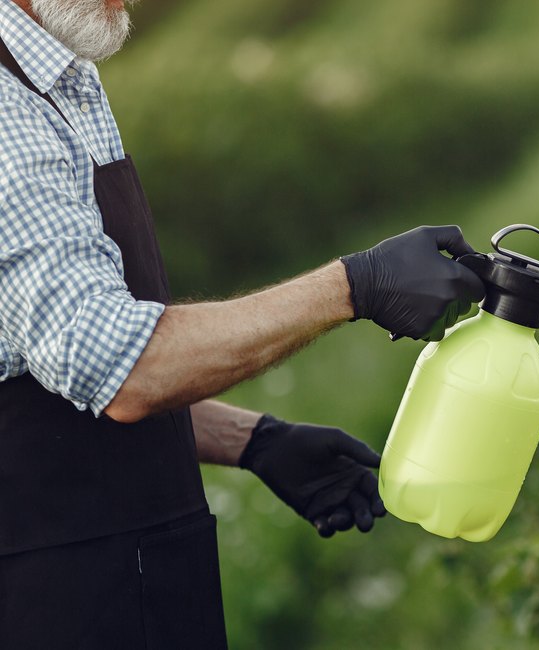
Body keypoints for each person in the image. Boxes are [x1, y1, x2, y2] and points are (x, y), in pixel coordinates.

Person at [0, 0, 486, 646]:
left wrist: (253, 440)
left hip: (136, 580)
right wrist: (353, 286)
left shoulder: (64, 81)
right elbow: (128, 366)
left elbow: (54, 365)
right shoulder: (8, 118)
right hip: (57, 601)